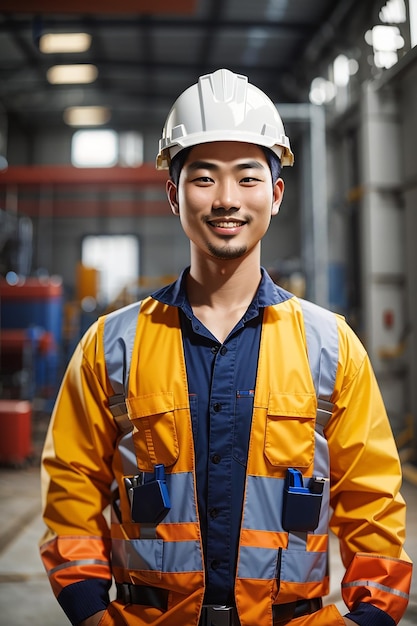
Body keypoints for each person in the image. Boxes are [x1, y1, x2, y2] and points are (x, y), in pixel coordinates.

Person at [40, 68, 412, 626]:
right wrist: (90, 612)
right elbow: (72, 487)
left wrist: (372, 617)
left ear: (277, 193)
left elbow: (373, 504)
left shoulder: (331, 347)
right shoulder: (111, 346)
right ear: (174, 194)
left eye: (247, 177)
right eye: (204, 178)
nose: (226, 200)